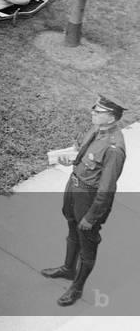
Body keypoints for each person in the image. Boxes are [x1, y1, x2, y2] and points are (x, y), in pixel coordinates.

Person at [41, 95, 128, 306]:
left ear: (111, 117)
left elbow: (106, 189)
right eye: (94, 109)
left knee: (87, 244)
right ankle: (68, 269)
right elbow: (84, 156)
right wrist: (69, 159)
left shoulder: (114, 148)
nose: (92, 113)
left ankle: (77, 288)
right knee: (72, 229)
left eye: (98, 111)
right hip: (74, 188)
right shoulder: (97, 129)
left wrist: (91, 216)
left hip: (89, 198)